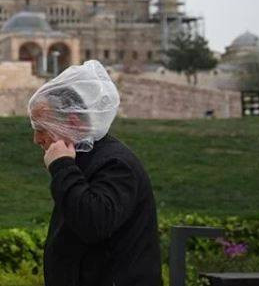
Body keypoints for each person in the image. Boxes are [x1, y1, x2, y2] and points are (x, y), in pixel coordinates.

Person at [28, 60, 161, 286]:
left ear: (71, 122)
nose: (37, 139)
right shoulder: (84, 159)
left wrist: (62, 167)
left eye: (42, 128)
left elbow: (94, 223)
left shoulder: (116, 164)